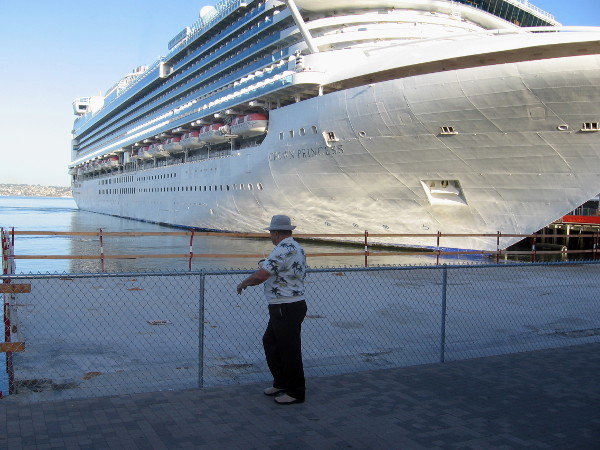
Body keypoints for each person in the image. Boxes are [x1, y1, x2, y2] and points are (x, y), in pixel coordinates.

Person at [236, 214, 307, 405]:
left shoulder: (281, 250)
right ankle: (281, 382)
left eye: (271, 233)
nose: (270, 236)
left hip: (285, 306)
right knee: (271, 342)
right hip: (291, 304)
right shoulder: (298, 247)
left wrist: (244, 283)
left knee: (289, 349)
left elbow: (262, 275)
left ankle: (296, 392)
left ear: (275, 233)